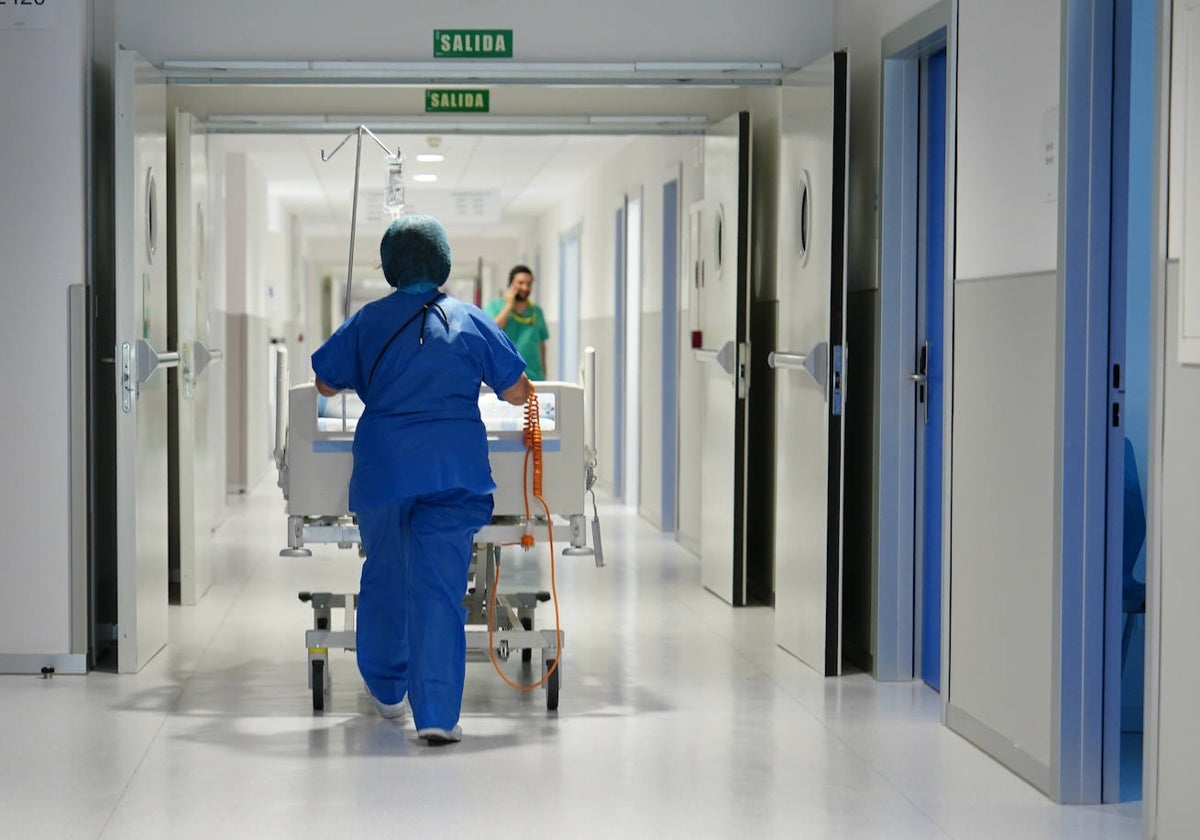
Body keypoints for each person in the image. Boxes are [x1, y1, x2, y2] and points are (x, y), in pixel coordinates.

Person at [311, 214, 531, 745]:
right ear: (443, 262)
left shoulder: (366, 321)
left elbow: (322, 383)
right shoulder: (470, 320)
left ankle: (388, 693)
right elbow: (519, 392)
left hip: (386, 469)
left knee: (386, 572)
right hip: (453, 471)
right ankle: (435, 714)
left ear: (389, 266)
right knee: (439, 586)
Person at [484, 264, 549, 380]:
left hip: (533, 377)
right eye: (521, 283)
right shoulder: (493, 306)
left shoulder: (536, 312)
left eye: (529, 284)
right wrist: (508, 306)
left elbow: (542, 346)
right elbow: (491, 331)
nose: (525, 288)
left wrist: (544, 374)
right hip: (503, 378)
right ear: (511, 284)